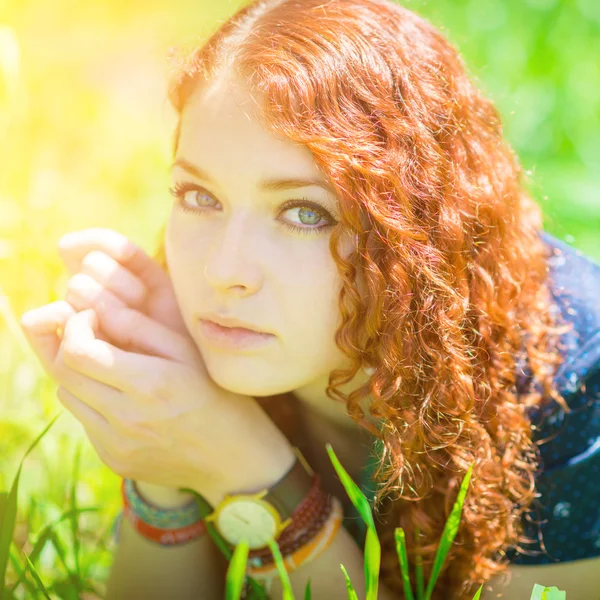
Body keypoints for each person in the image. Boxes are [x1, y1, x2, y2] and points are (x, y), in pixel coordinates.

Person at [19, 0, 600, 598]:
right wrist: (163, 463)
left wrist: (245, 467)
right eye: (199, 195)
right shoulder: (202, 325)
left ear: (414, 230)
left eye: (304, 212)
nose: (225, 271)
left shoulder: (574, 377)